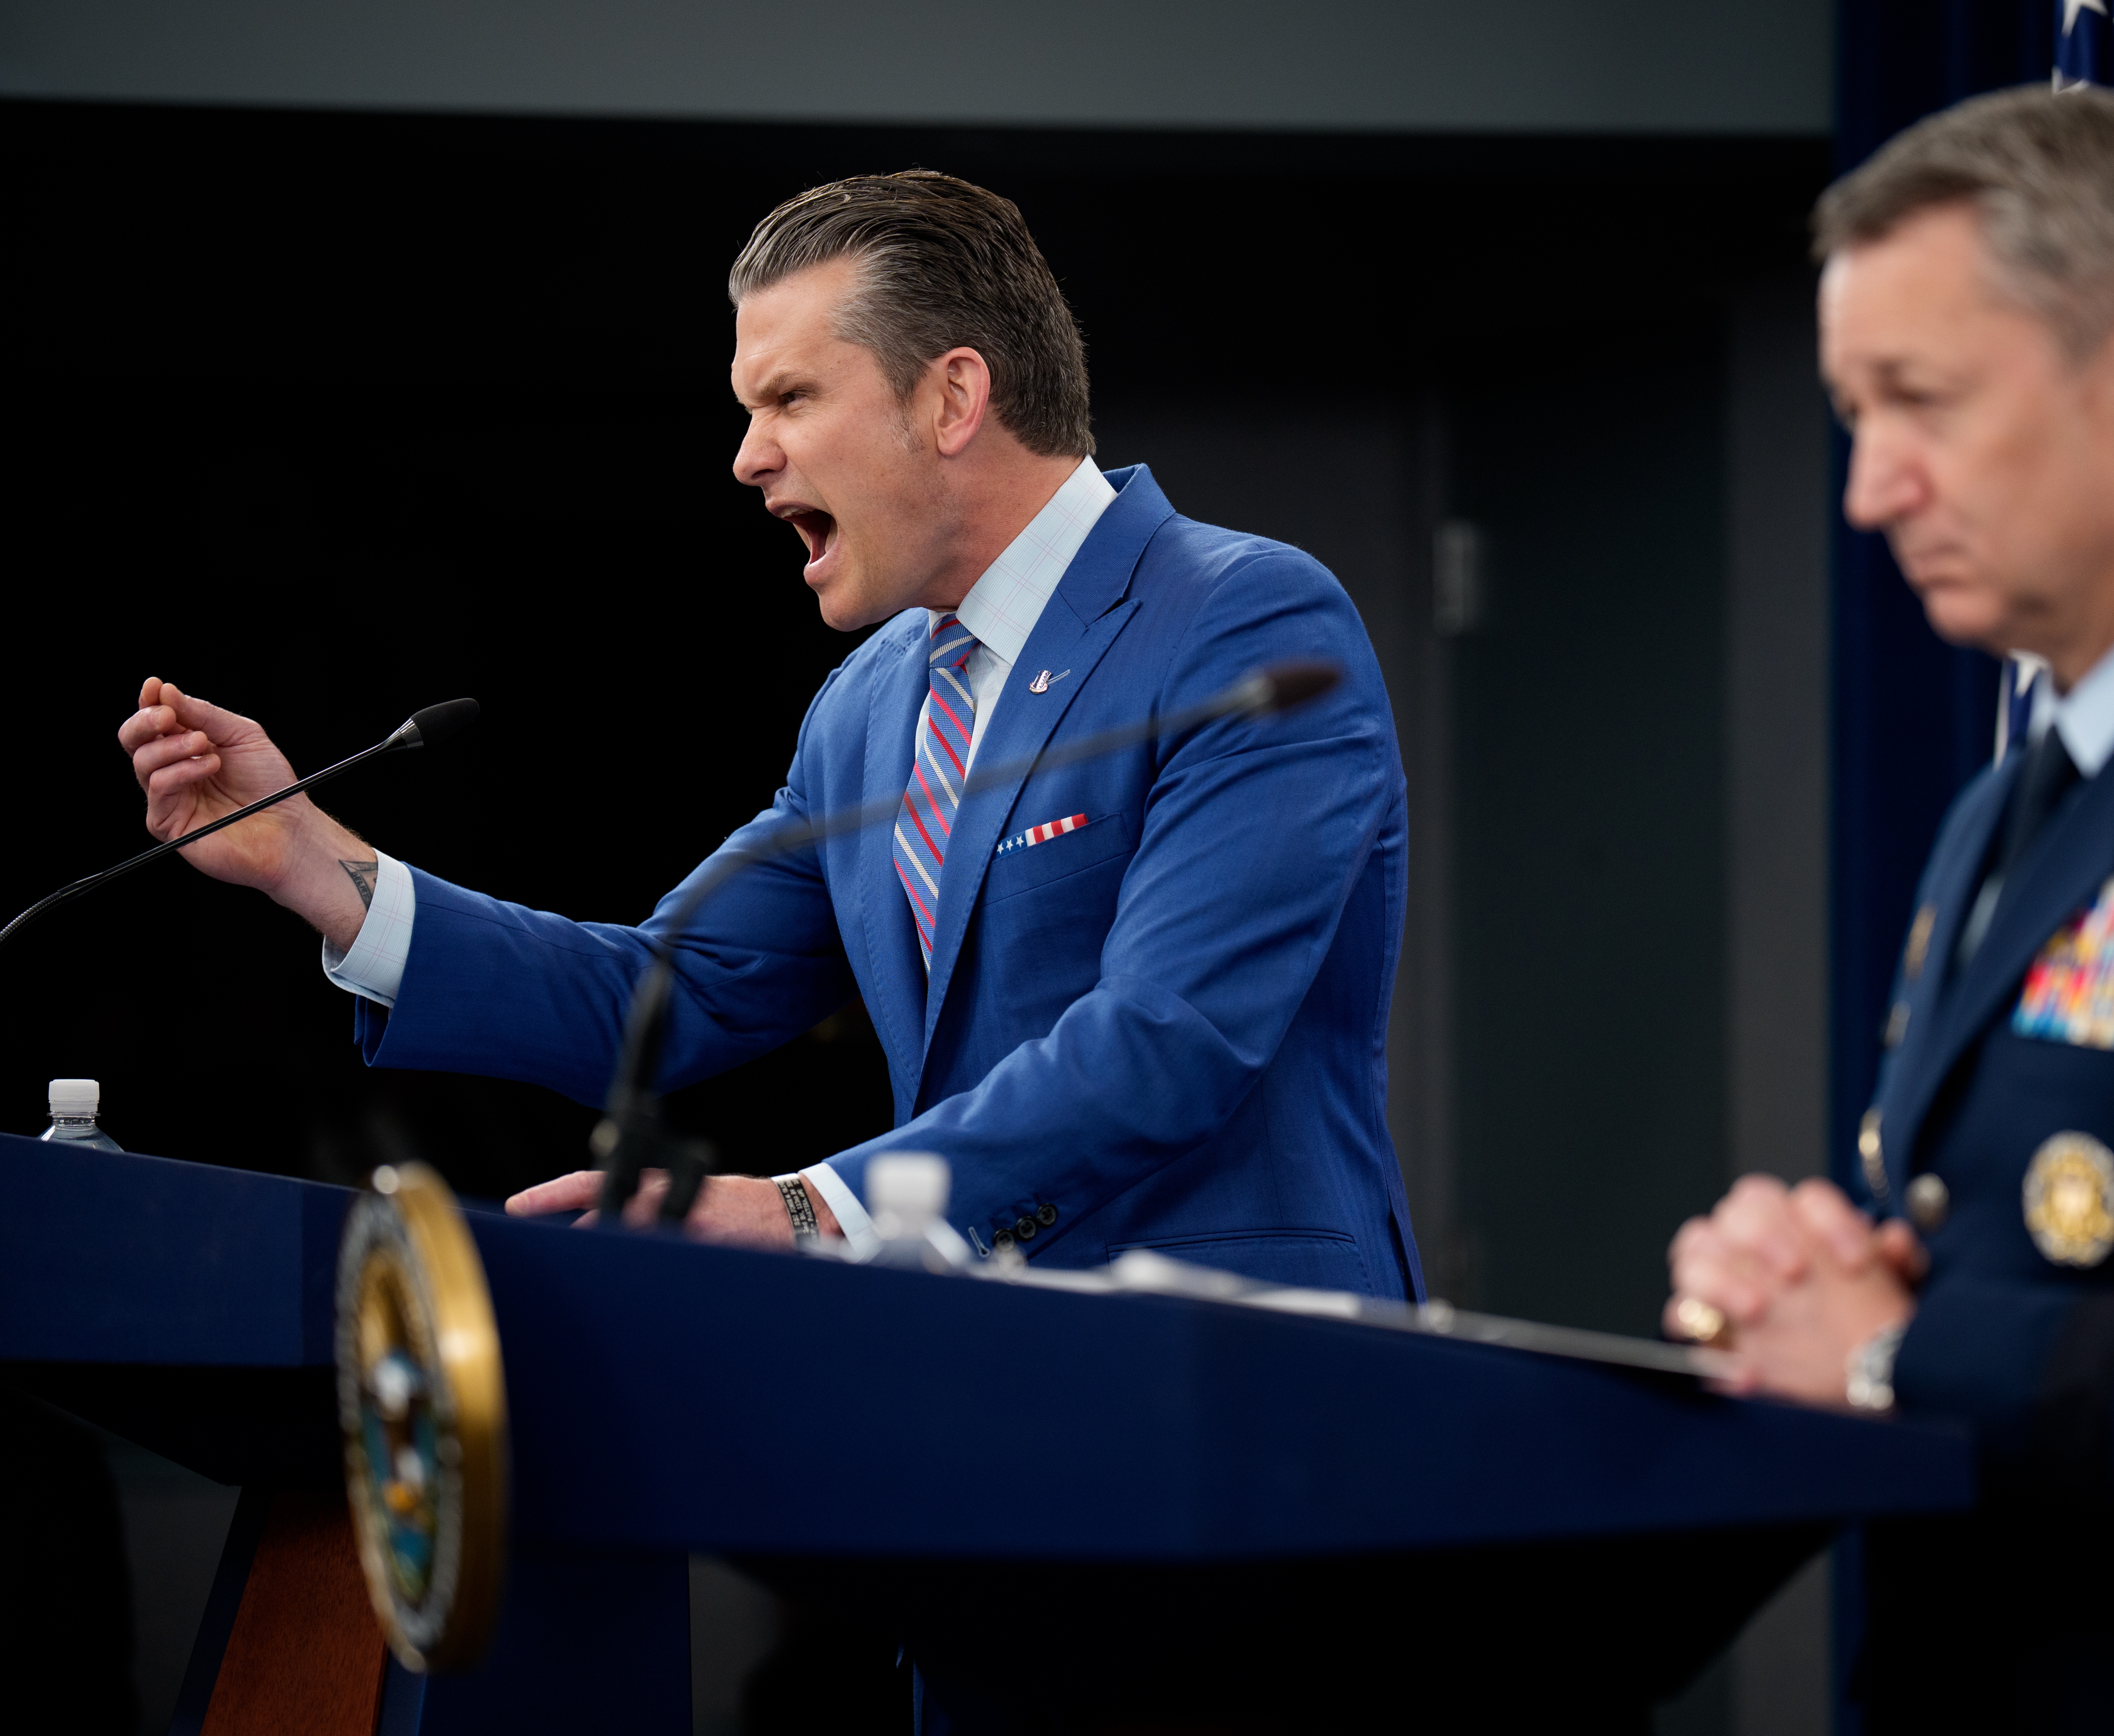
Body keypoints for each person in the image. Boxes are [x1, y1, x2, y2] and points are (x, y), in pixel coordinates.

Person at [118, 171, 1422, 1301]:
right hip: (989, 1403)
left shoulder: (1242, 621)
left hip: (1249, 1398)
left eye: (790, 397)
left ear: (953, 396)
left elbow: (1168, 1037)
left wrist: (812, 1211)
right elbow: (654, 1000)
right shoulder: (869, 707)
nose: (748, 457)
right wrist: (306, 859)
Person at [1667, 87, 2114, 1730]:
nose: (1869, 490)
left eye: (1923, 404)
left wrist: (1896, 1358)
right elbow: (2024, 1230)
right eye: (1850, 412)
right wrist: (1833, 1277)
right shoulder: (2019, 792)